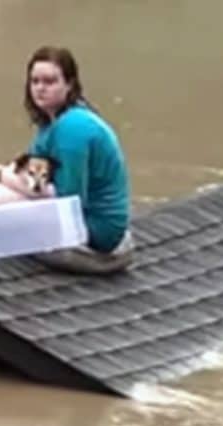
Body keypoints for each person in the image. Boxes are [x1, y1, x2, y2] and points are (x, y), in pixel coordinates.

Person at [24, 45, 134, 274]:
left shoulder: (73, 127)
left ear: (69, 84)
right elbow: (31, 169)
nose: (40, 89)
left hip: (99, 231)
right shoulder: (50, 125)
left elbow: (70, 202)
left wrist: (6, 178)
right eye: (35, 82)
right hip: (88, 219)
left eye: (49, 81)